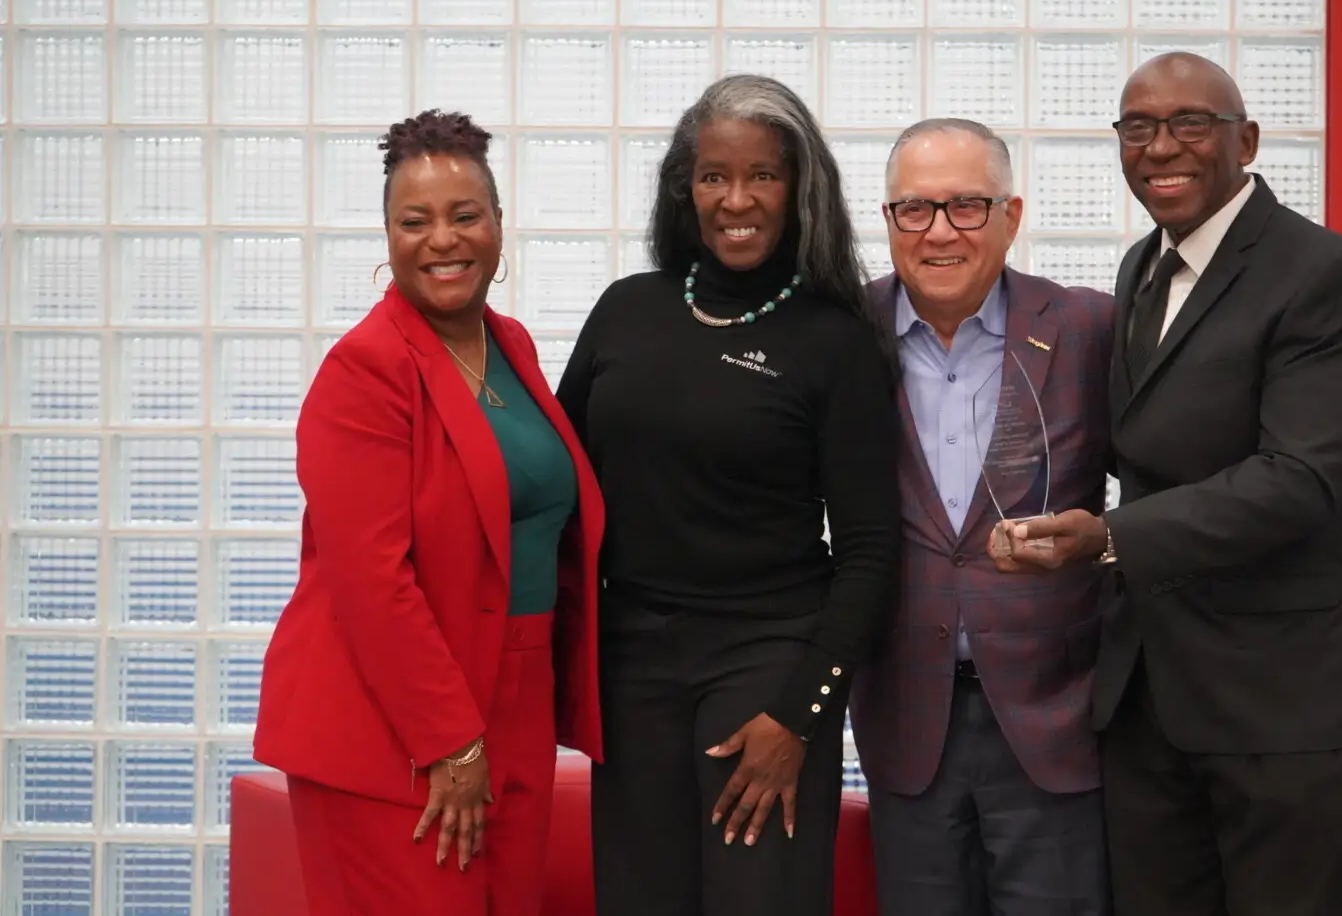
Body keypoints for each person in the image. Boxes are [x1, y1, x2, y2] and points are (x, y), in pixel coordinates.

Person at [1003, 53, 1342, 916]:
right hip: (1152, 694)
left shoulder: (1323, 274)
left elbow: (1300, 477)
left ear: (1246, 141)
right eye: (1138, 127)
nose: (1161, 147)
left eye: (1191, 124)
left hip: (1285, 702)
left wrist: (1110, 538)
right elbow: (1151, 443)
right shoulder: (1141, 268)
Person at [556, 74, 901, 916]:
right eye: (714, 176)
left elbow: (869, 549)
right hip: (631, 661)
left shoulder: (835, 337)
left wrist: (801, 715)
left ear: (799, 187)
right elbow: (554, 480)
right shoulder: (625, 310)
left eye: (762, 176)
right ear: (687, 189)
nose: (735, 199)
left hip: (767, 663)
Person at [254, 110, 605, 914]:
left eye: (464, 215)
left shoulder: (509, 343)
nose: (442, 239)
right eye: (415, 221)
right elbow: (371, 581)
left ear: (499, 225)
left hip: (516, 697)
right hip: (394, 726)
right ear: (387, 237)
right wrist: (451, 740)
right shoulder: (364, 373)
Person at [849, 119, 1114, 916]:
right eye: (915, 210)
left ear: (1012, 214)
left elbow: (1178, 476)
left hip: (1056, 720)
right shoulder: (842, 335)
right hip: (906, 720)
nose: (939, 233)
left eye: (967, 207)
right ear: (889, 218)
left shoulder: (1087, 329)